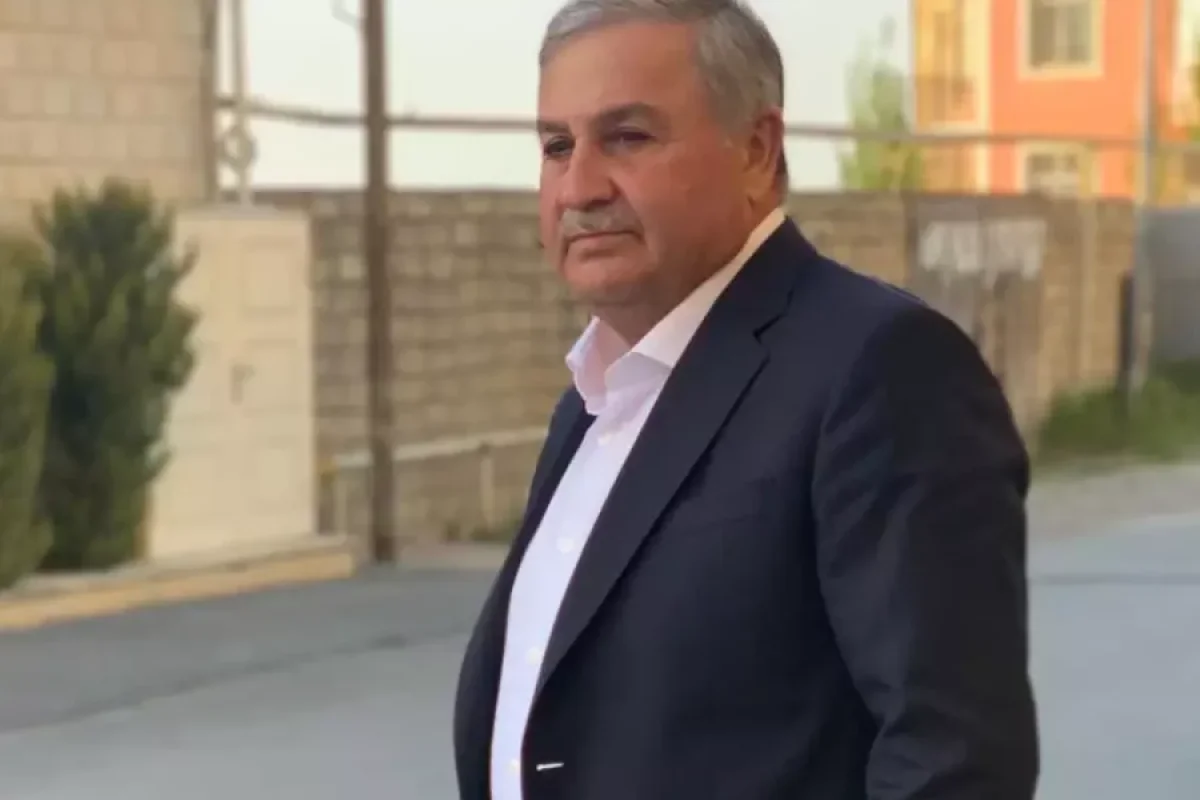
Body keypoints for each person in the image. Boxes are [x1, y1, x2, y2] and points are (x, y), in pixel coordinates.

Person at [452, 0, 1040, 797]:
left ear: (757, 151)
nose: (579, 187)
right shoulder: (590, 406)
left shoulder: (879, 370)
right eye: (557, 146)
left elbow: (953, 759)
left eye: (628, 137)